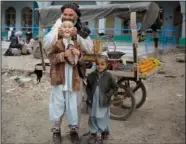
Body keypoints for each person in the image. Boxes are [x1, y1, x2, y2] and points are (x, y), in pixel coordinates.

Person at [44, 3, 93, 144]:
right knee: (57, 104)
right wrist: (63, 53)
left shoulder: (81, 30)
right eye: (65, 14)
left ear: (76, 16)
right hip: (58, 76)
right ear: (61, 15)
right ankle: (56, 131)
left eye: (71, 15)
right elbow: (49, 52)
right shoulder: (56, 28)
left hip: (75, 77)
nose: (67, 17)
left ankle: (73, 131)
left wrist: (78, 51)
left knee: (75, 104)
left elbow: (88, 51)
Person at [86, 55, 118, 144]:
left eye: (102, 64)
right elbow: (88, 87)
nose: (100, 66)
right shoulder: (92, 75)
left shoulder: (109, 76)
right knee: (92, 116)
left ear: (106, 65)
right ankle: (93, 134)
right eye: (98, 64)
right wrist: (89, 96)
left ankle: (103, 132)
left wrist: (108, 95)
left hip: (103, 101)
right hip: (93, 101)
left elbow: (115, 88)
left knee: (102, 117)